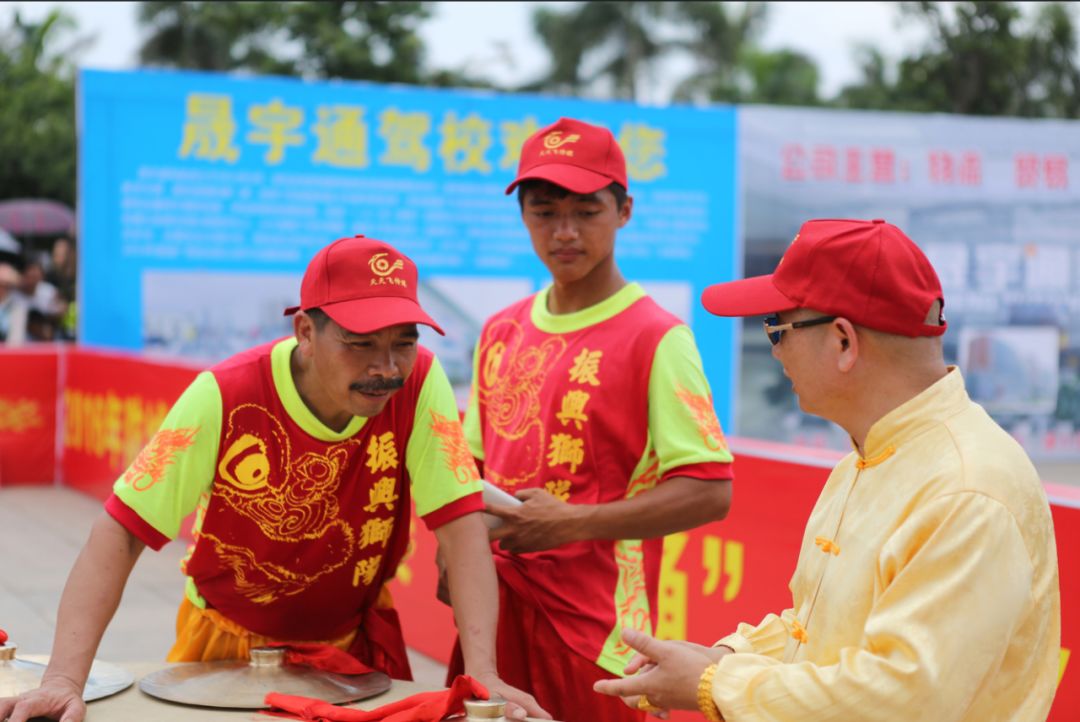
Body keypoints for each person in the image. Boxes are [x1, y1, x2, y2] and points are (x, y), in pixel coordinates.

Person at [0, 235, 548, 722]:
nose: (387, 367)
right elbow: (120, 532)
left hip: (351, 645)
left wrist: (485, 676)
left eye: (402, 341)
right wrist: (64, 681)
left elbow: (460, 522)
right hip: (225, 643)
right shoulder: (226, 395)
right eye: (361, 343)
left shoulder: (417, 380)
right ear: (306, 331)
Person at [594, 218, 1061, 721]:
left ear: (843, 342)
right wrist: (722, 657)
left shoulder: (968, 489)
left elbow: (901, 698)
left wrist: (714, 683)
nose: (774, 350)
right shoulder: (864, 460)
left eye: (777, 327)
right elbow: (815, 633)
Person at [444, 117, 735, 722]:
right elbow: (467, 471)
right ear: (523, 215)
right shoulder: (500, 331)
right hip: (491, 617)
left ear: (625, 210)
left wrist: (572, 523)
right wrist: (456, 554)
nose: (565, 232)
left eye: (587, 210)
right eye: (545, 212)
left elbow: (710, 492)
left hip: (595, 635)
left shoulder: (657, 338)